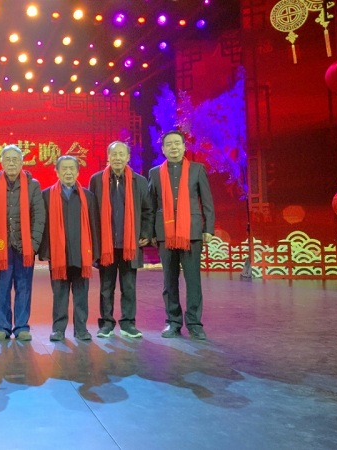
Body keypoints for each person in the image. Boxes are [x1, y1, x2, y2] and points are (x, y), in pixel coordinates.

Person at [148, 130, 215, 340]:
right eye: (169, 144)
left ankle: (194, 324)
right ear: (163, 149)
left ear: (184, 146)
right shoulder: (155, 173)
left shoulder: (197, 169)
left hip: (191, 232)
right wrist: (151, 232)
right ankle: (173, 322)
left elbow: (207, 202)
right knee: (169, 281)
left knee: (193, 280)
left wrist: (208, 229)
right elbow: (151, 206)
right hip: (165, 233)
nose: (173, 147)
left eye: (177, 143)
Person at [88, 141, 151, 339]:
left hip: (130, 244)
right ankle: (106, 323)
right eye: (114, 154)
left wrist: (145, 233)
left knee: (129, 286)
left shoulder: (139, 181)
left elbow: (148, 210)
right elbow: (91, 212)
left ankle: (128, 323)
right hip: (106, 245)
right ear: (108, 157)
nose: (117, 158)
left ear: (128, 157)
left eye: (121, 154)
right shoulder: (97, 180)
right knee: (106, 287)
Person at [0, 144, 45, 342]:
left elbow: (39, 216)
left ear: (22, 162)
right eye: (7, 159)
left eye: (15, 159)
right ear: (1, 162)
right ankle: (2, 327)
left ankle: (22, 327)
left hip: (25, 246)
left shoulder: (33, 185)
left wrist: (33, 243)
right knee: (2, 287)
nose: (11, 163)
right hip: (1, 246)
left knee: (24, 286)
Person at [39, 155, 100, 342]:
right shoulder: (46, 195)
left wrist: (95, 253)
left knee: (81, 294)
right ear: (56, 172)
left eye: (71, 168)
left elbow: (94, 225)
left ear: (78, 172)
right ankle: (58, 329)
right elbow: (43, 226)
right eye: (64, 169)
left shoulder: (87, 197)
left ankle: (81, 329)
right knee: (60, 294)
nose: (68, 172)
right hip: (58, 255)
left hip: (81, 254)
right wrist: (45, 251)